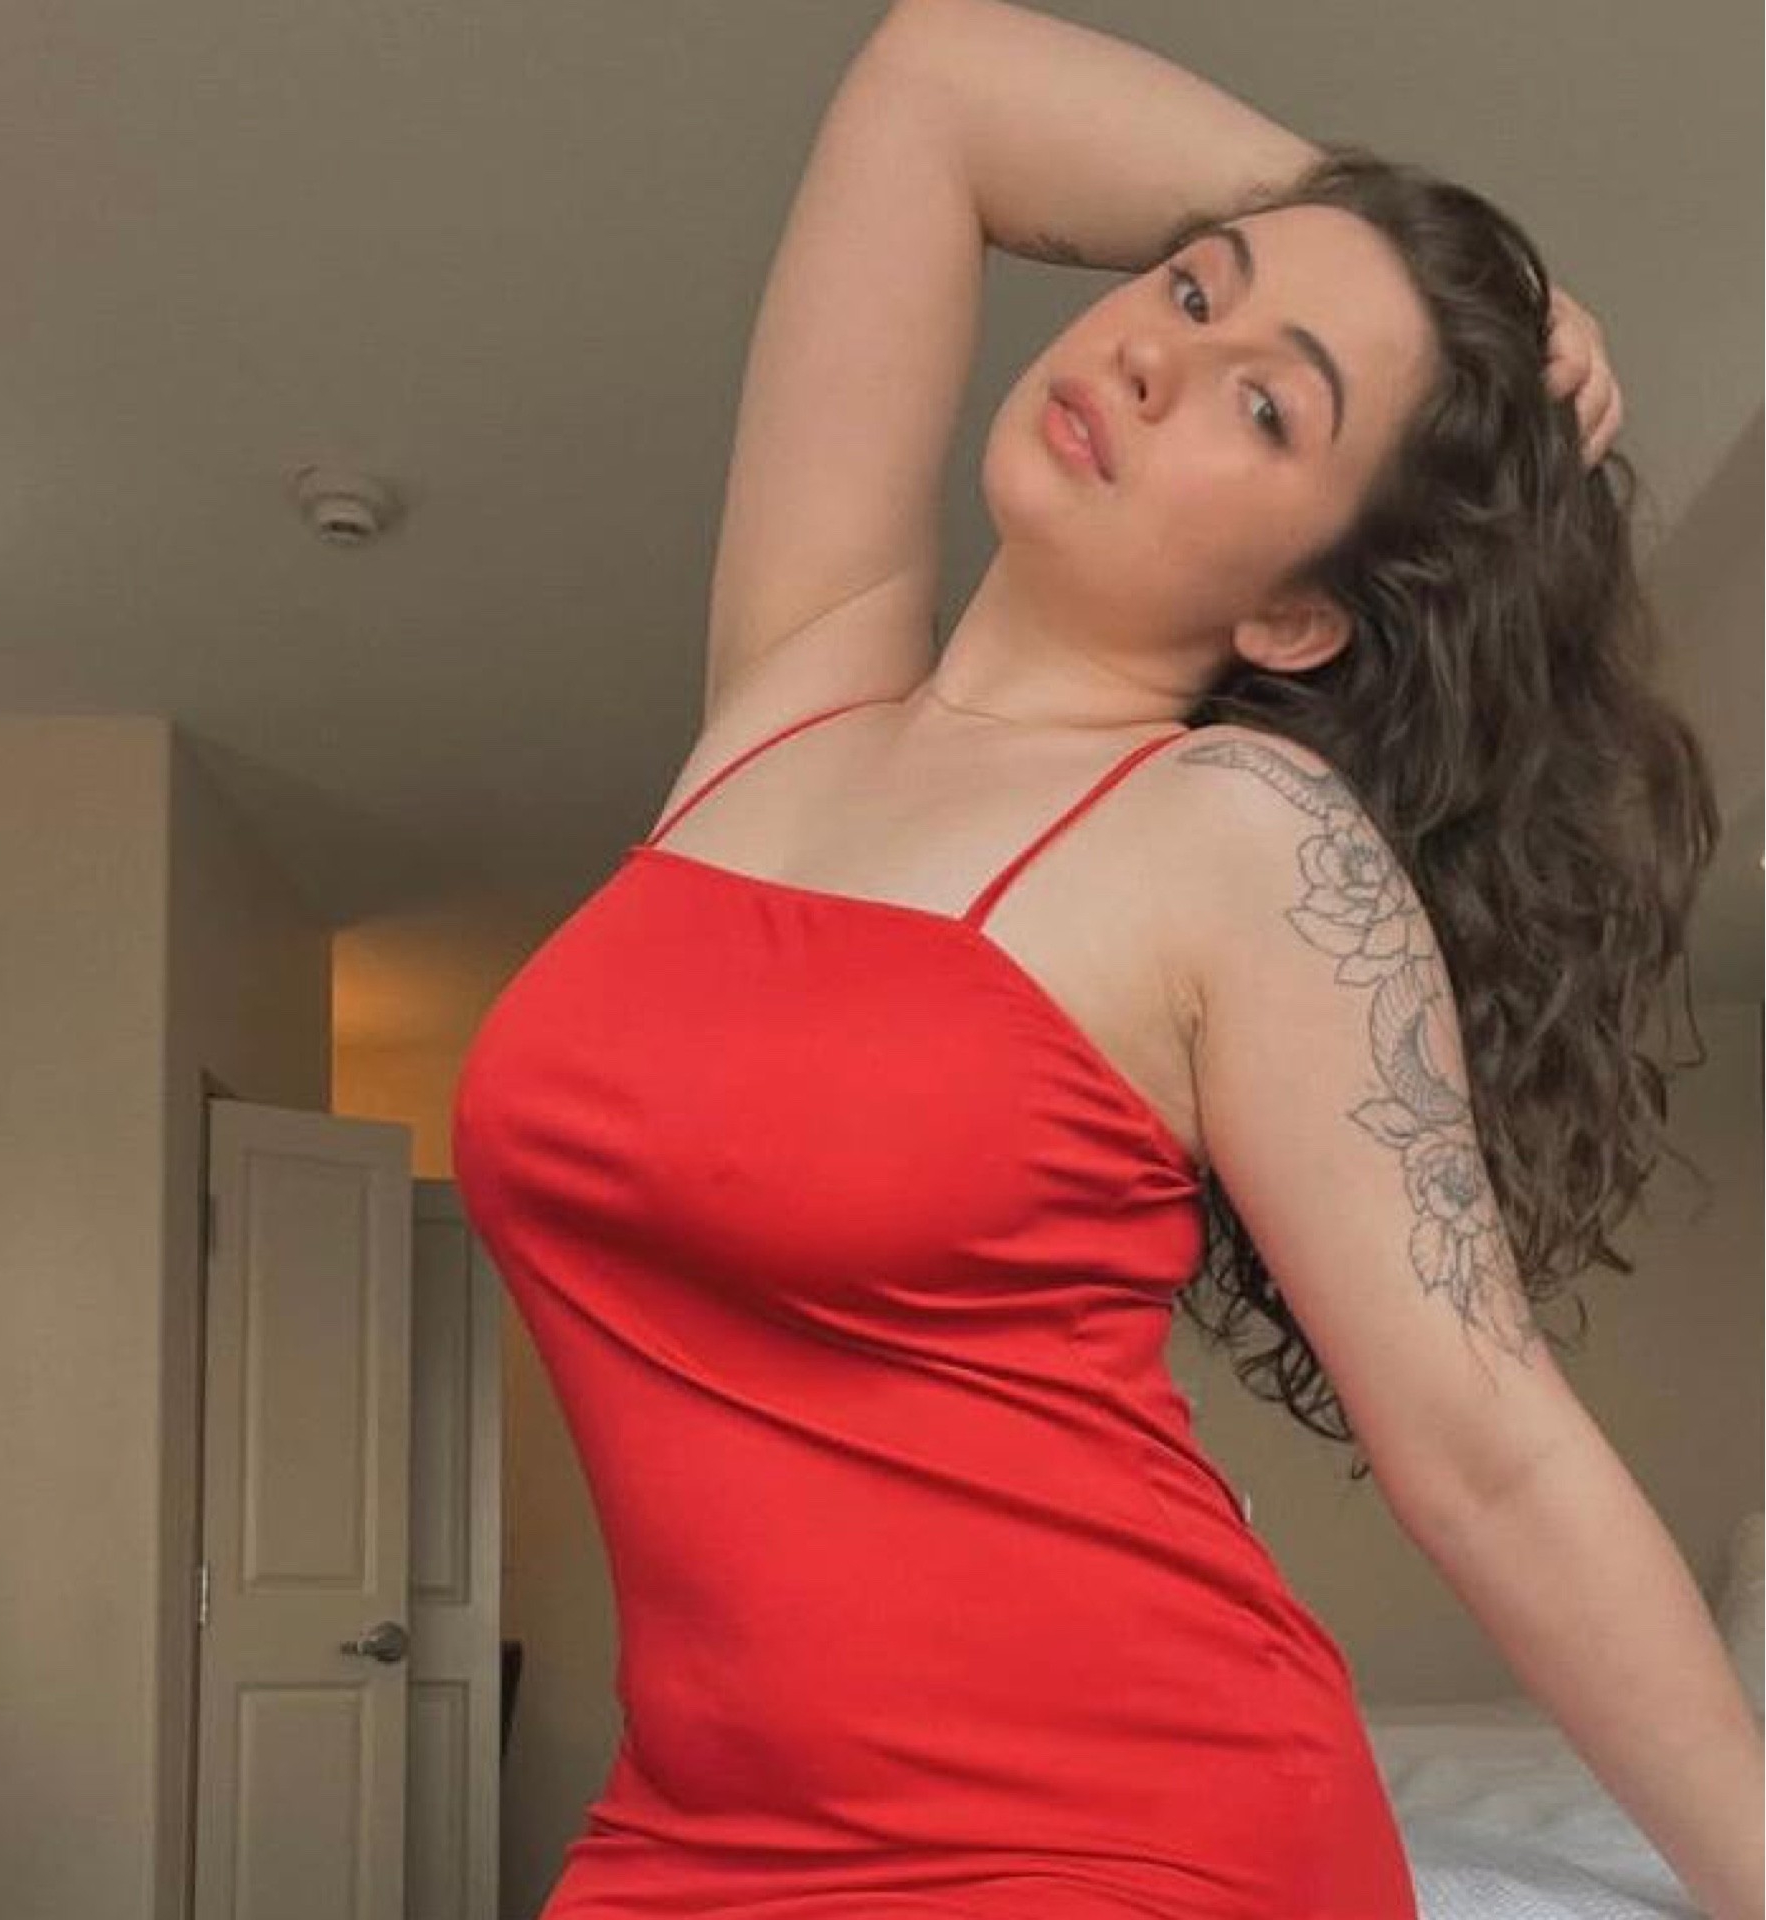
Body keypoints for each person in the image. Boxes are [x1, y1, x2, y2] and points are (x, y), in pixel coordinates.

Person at [453, 1, 1764, 1915]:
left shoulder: (1238, 832)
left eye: (1267, 405)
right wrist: (1363, 232)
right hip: (690, 1836)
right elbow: (936, 79)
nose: (1158, 354)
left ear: (1301, 614)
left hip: (1117, 1838)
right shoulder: (789, 701)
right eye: (1191, 285)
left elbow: (1487, 1450)